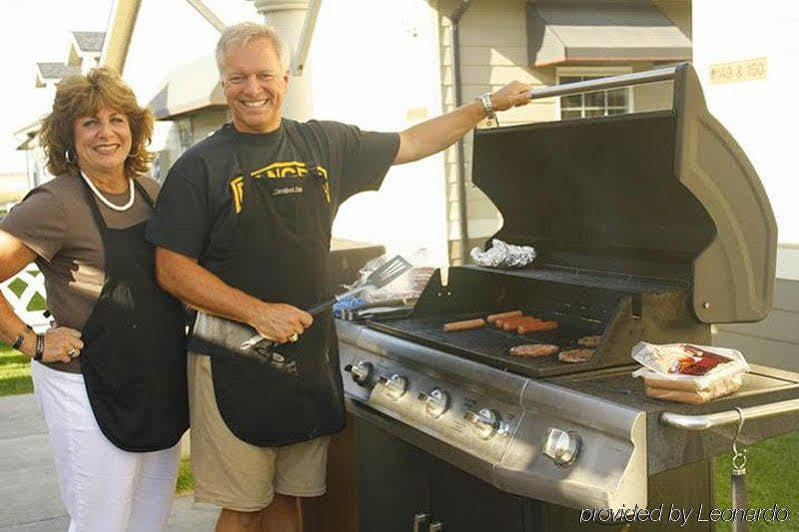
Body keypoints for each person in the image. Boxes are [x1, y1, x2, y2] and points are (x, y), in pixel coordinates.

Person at [147, 22, 532, 532]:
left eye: (265, 74)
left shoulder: (323, 144)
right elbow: (171, 271)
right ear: (223, 83)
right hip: (230, 359)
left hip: (306, 353)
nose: (253, 89)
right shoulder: (199, 167)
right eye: (238, 78)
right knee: (243, 508)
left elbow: (413, 141)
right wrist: (257, 312)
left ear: (285, 78)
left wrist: (485, 106)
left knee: (289, 497)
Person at [0, 68, 188, 532]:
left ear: (134, 128)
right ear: (69, 135)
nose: (106, 133)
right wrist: (32, 343)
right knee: (101, 522)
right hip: (86, 385)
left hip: (154, 383)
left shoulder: (150, 191)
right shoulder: (55, 202)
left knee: (149, 520)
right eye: (89, 122)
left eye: (117, 119)